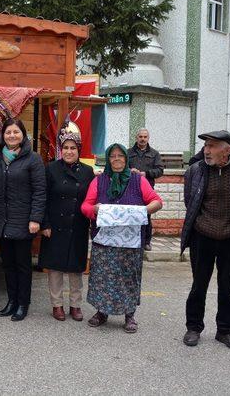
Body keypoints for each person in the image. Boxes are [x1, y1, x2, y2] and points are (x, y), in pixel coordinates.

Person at [181, 131, 230, 352]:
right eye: (205, 146)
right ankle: (193, 327)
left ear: (227, 150)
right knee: (199, 285)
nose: (206, 151)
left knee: (227, 287)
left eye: (212, 146)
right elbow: (191, 202)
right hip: (202, 236)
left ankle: (226, 331)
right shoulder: (196, 171)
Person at [81, 143, 162, 333]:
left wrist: (141, 212)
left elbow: (157, 202)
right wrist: (95, 210)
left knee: (128, 277)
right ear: (108, 159)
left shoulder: (138, 180)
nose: (117, 159)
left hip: (131, 242)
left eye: (120, 156)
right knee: (102, 277)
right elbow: (85, 206)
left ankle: (129, 315)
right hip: (105, 241)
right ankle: (102, 312)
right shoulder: (99, 181)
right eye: (112, 156)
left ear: (126, 158)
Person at [39, 122, 94, 322]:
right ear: (61, 150)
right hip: (55, 226)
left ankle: (75, 305)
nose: (69, 151)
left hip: (77, 226)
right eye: (66, 148)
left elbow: (92, 198)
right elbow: (42, 198)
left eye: (73, 148)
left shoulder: (88, 172)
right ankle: (57, 305)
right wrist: (44, 224)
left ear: (79, 150)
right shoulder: (51, 169)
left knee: (75, 268)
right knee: (55, 268)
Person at [0, 118, 46, 322]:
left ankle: (23, 303)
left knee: (22, 265)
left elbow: (40, 192)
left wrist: (35, 219)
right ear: (3, 136)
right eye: (8, 133)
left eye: (16, 132)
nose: (12, 136)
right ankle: (11, 301)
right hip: (3, 220)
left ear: (23, 135)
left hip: (24, 221)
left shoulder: (33, 159)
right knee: (7, 264)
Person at [127, 128, 163, 251]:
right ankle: (131, 238)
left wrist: (145, 174)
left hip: (147, 189)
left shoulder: (154, 154)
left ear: (148, 138)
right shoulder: (128, 152)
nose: (142, 139)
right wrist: (130, 171)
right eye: (140, 137)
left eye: (145, 137)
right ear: (136, 138)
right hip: (130, 188)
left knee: (146, 214)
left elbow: (160, 170)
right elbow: (122, 167)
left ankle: (147, 241)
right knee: (130, 214)